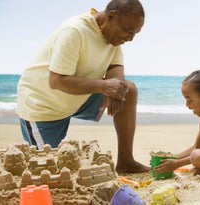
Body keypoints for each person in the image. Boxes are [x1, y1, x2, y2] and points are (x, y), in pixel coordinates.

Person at [16, 0, 150, 174]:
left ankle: (126, 161)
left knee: (128, 90)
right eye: (128, 31)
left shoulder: (113, 38)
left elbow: (115, 68)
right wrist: (105, 86)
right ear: (111, 16)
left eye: (135, 34)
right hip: (43, 106)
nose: (130, 38)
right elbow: (56, 80)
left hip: (77, 98)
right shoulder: (75, 31)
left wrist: (116, 90)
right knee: (49, 171)